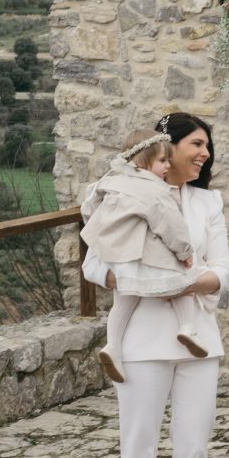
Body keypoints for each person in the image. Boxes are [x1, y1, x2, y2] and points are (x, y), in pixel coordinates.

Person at [84, 112, 227, 458]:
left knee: (193, 449)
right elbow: (94, 264)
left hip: (198, 340)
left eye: (207, 146)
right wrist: (139, 281)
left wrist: (182, 283)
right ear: (167, 149)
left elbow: (223, 272)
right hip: (142, 343)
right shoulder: (125, 194)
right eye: (196, 144)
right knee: (139, 450)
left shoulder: (208, 203)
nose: (204, 153)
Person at [79, 132, 210, 380]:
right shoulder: (155, 190)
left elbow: (89, 208)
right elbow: (171, 225)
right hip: (148, 256)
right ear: (141, 161)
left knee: (123, 301)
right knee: (183, 282)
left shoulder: (111, 182)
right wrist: (184, 252)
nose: (168, 166)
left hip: (119, 258)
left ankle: (112, 346)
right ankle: (187, 328)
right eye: (162, 160)